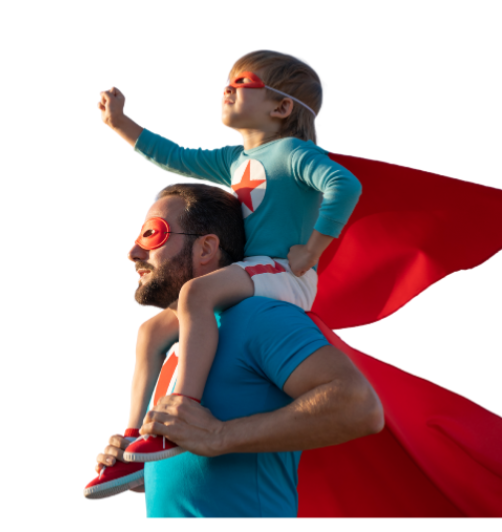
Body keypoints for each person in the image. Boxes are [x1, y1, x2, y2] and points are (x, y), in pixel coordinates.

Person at [97, 51, 363, 466]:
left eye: (242, 83)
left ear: (281, 107)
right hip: (250, 273)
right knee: (151, 332)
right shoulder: (234, 160)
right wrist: (120, 125)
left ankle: (182, 411)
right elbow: (176, 156)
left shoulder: (293, 153)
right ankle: (133, 444)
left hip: (282, 272)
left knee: (195, 294)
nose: (228, 88)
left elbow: (343, 185)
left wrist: (313, 249)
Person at [85, 183, 383, 517]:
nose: (134, 253)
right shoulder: (179, 351)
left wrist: (220, 435)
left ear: (206, 248)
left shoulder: (258, 317)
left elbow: (360, 406)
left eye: (151, 235)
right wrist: (145, 463)